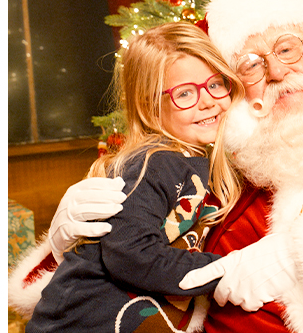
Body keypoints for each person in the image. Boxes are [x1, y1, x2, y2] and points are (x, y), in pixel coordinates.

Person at [20, 0, 303, 333]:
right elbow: (146, 277)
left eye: (287, 49)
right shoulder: (227, 179)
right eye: (251, 65)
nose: (278, 72)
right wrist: (71, 243)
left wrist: (298, 254)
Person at [23, 22, 243, 333]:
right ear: (150, 106)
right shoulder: (154, 163)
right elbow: (133, 256)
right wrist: (228, 271)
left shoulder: (200, 159)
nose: (207, 101)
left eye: (215, 84)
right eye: (184, 93)